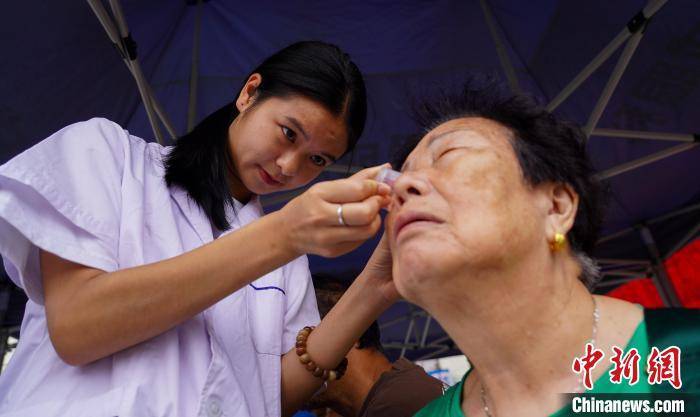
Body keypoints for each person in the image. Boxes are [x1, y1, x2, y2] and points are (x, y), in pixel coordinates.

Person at [0, 41, 399, 417]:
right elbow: (77, 327)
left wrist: (374, 288)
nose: (289, 166)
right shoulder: (108, 156)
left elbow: (267, 398)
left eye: (316, 159)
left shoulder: (286, 256)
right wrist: (285, 234)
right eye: (288, 133)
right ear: (250, 93)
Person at [376, 79, 700, 417]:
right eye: (399, 179)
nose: (403, 187)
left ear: (557, 208)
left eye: (449, 154)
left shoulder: (687, 363)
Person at [305, 276, 444, 417]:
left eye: (298, 342)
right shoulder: (403, 389)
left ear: (349, 334)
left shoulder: (396, 405)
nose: (286, 363)